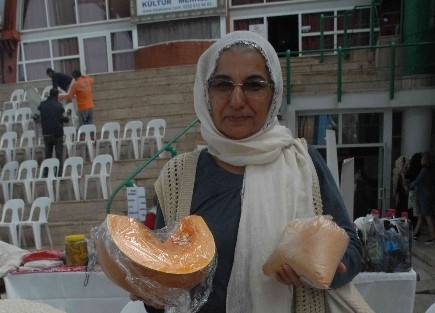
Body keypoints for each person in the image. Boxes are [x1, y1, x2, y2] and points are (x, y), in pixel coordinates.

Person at [139, 31, 369, 313]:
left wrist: (328, 268)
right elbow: (161, 288)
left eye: (254, 85)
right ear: (205, 93)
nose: (237, 100)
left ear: (273, 93)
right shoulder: (178, 177)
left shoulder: (302, 162)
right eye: (223, 84)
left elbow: (352, 247)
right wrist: (149, 291)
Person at [36, 88, 68, 176]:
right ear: (57, 95)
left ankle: (46, 174)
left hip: (46, 133)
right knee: (59, 155)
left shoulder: (42, 105)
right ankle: (59, 174)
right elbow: (66, 119)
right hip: (58, 133)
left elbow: (36, 116)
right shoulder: (59, 105)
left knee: (48, 155)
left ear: (49, 95)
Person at [408, 151, 435, 243]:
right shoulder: (430, 170)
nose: (421, 160)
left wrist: (409, 185)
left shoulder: (425, 170)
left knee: (427, 216)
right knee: (421, 216)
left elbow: (418, 180)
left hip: (424, 195)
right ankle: (414, 234)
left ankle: (432, 235)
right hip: (426, 195)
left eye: (422, 158)